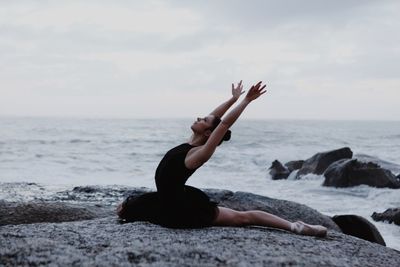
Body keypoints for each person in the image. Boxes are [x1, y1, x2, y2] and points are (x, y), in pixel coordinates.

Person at [117, 81, 327, 237]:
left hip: (180, 209)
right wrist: (232, 99)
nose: (199, 117)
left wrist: (246, 101)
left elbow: (223, 124)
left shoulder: (199, 153)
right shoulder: (192, 142)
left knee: (245, 218)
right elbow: (215, 118)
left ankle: (295, 227)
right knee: (123, 209)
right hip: (166, 199)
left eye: (203, 120)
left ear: (209, 133)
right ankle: (295, 226)